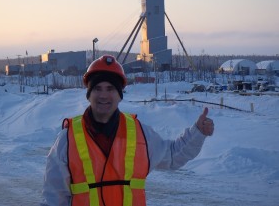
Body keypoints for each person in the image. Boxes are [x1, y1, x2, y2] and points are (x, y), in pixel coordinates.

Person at [40, 55, 214, 206]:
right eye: (97, 89)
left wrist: (198, 132)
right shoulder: (67, 139)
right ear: (89, 94)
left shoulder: (140, 134)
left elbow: (172, 156)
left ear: (119, 94)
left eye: (110, 89)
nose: (103, 95)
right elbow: (53, 198)